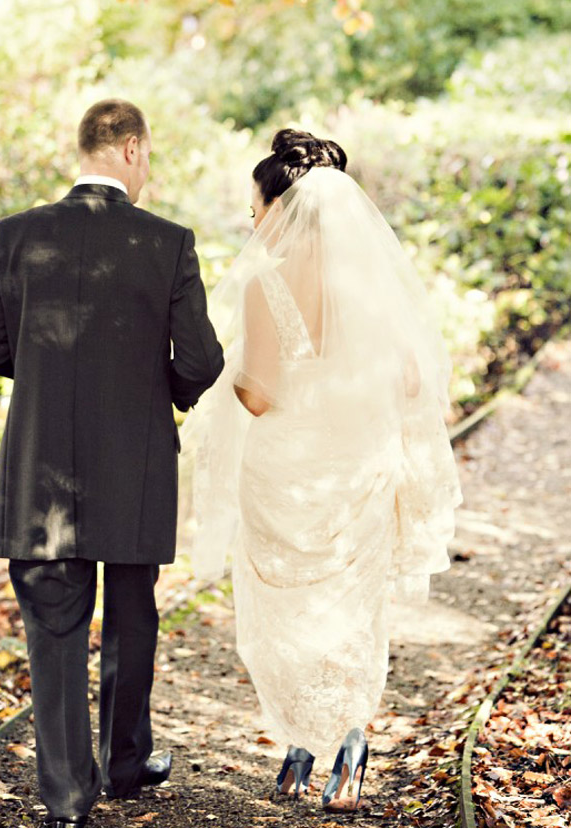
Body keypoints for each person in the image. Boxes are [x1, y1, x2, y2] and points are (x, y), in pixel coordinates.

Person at [180, 129, 462, 811]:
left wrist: (223, 384)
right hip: (356, 467)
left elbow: (256, 394)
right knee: (354, 609)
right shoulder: (374, 292)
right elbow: (411, 382)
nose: (252, 219)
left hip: (284, 471)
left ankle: (299, 746)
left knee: (288, 612)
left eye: (255, 207)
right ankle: (351, 749)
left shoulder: (266, 284)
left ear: (282, 207)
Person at [0, 99, 224, 828]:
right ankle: (124, 760)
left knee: (52, 632)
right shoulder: (168, 242)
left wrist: (51, 374)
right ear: (131, 149)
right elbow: (202, 359)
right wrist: (156, 394)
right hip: (135, 462)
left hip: (38, 469)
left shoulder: (17, 235)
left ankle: (66, 800)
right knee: (132, 613)